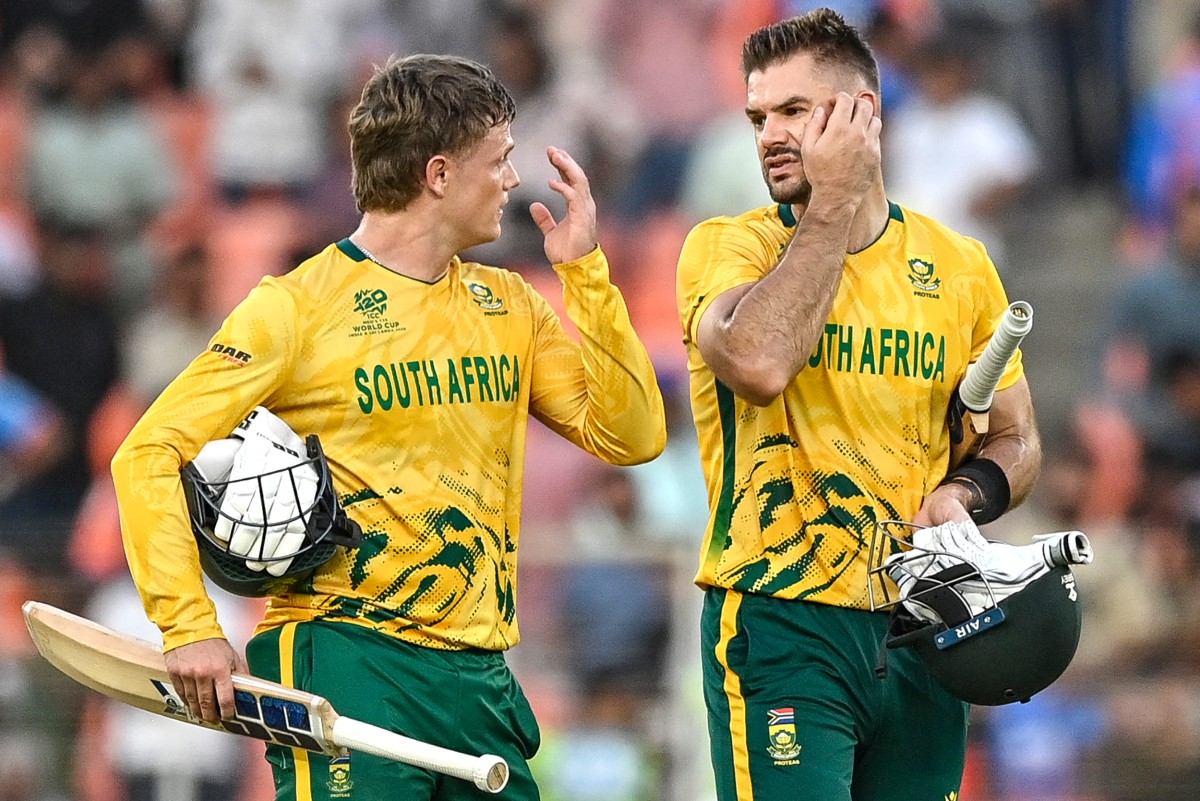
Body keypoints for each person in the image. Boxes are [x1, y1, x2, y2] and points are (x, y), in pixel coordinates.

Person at [111, 53, 667, 801]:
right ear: (439, 174)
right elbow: (148, 452)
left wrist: (588, 275)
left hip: (480, 676)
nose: (512, 179)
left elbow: (632, 435)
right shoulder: (296, 307)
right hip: (347, 658)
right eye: (498, 160)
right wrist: (190, 627)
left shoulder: (512, 305)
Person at [675, 10, 1041, 801]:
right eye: (758, 118)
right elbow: (759, 362)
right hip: (782, 618)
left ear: (862, 114)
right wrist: (833, 201)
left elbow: (1018, 439)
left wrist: (964, 492)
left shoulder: (961, 266)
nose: (770, 136)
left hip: (924, 619)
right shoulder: (728, 246)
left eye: (793, 111)